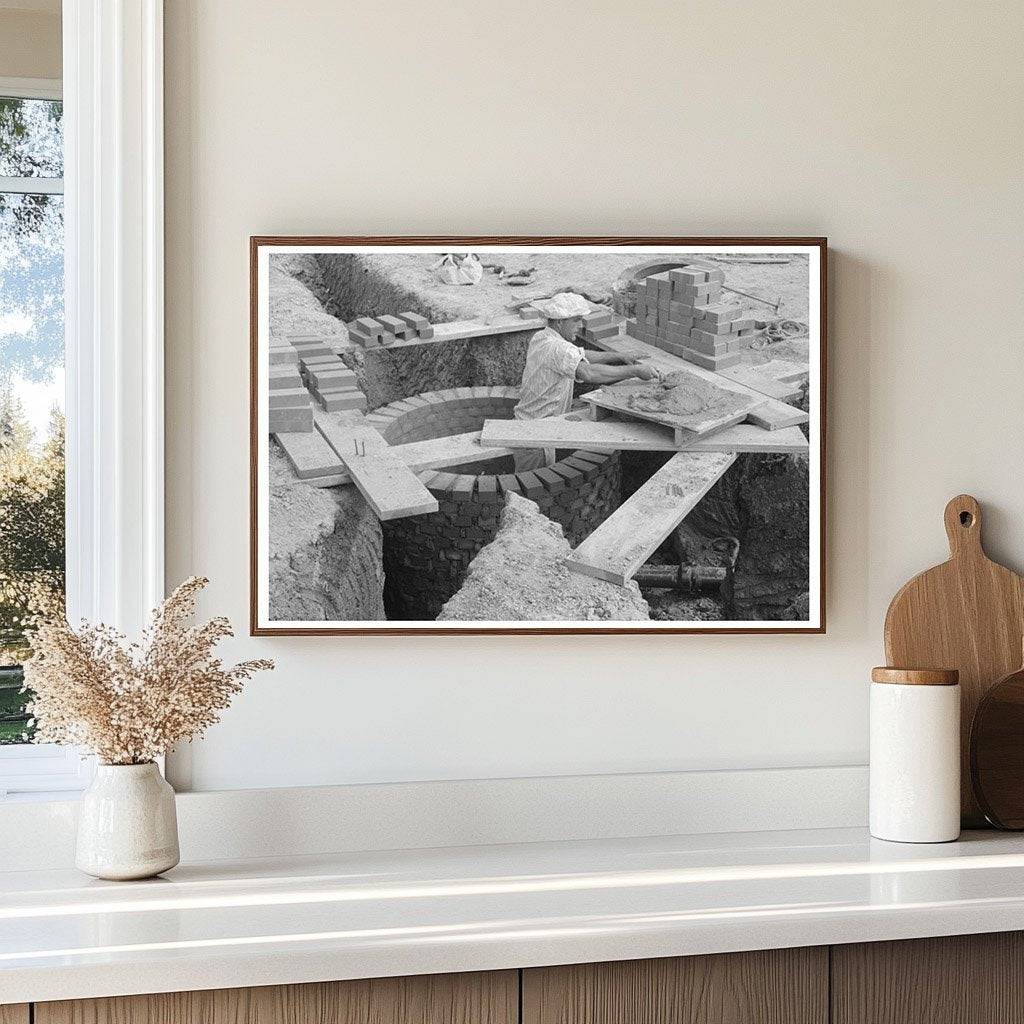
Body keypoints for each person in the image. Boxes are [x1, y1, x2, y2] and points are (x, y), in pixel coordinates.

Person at [512, 314, 658, 471]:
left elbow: (581, 354)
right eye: (576, 320)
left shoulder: (543, 336)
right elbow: (588, 373)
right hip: (536, 435)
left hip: (528, 421)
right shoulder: (559, 348)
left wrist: (620, 356)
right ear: (560, 322)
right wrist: (634, 370)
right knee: (532, 486)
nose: (580, 325)